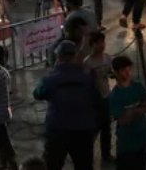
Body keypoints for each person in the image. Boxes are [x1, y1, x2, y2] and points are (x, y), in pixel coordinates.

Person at [33, 40, 99, 170]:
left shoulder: (50, 79)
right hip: (83, 131)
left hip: (57, 131)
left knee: (52, 165)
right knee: (84, 165)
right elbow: (96, 102)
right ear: (75, 56)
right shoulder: (86, 78)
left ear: (57, 57)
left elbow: (37, 94)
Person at [108, 56, 146, 170]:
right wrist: (140, 109)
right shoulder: (115, 96)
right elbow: (122, 121)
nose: (128, 73)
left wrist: (134, 111)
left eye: (129, 69)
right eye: (123, 70)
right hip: (126, 144)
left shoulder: (137, 86)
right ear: (116, 72)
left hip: (142, 139)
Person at [84, 32, 113, 164]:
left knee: (106, 128)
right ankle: (87, 156)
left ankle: (106, 155)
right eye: (98, 43)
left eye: (102, 42)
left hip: (106, 96)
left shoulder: (107, 58)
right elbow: (85, 82)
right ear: (92, 45)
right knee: (94, 129)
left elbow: (111, 73)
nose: (101, 45)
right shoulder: (88, 62)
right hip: (94, 100)